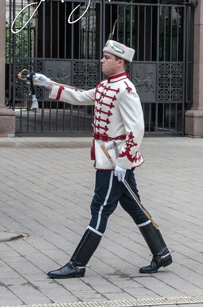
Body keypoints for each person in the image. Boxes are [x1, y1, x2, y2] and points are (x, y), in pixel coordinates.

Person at [32, 40, 172, 279]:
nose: (102, 60)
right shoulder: (106, 85)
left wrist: (123, 163)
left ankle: (78, 264)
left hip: (113, 160)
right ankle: (162, 253)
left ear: (121, 62)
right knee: (134, 206)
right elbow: (83, 96)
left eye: (107, 57)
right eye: (103, 56)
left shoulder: (125, 90)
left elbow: (136, 130)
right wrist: (50, 85)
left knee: (100, 208)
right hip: (108, 157)